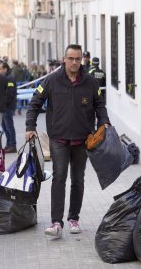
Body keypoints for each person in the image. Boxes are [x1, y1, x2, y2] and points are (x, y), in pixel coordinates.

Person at [25, 44, 110, 238]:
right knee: (59, 178)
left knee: (78, 180)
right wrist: (30, 126)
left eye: (77, 59)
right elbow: (35, 103)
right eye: (70, 58)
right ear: (64, 59)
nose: (74, 62)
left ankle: (74, 219)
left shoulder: (90, 82)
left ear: (82, 60)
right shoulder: (51, 80)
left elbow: (100, 105)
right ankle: (56, 223)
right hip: (59, 139)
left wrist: (105, 124)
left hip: (82, 140)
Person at [0, 62, 17, 153]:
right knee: (4, 126)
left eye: (0, 69)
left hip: (7, 106)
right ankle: (8, 143)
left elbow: (9, 94)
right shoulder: (4, 78)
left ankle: (12, 145)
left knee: (9, 126)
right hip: (3, 106)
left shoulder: (10, 79)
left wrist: (3, 104)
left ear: (5, 69)